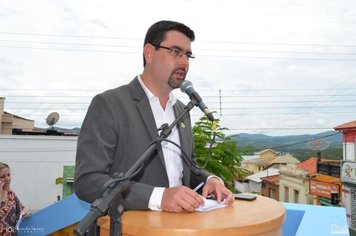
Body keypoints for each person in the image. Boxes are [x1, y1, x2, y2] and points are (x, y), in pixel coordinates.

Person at [74, 20, 234, 214]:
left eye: (188, 55)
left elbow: (188, 168)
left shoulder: (182, 111)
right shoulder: (109, 104)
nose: (184, 62)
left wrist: (210, 180)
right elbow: (88, 181)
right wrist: (159, 197)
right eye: (176, 52)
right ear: (149, 53)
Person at [0, 162, 30, 235]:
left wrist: (25, 213)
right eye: (3, 176)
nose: (7, 179)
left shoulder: (11, 195)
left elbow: (21, 211)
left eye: (8, 175)